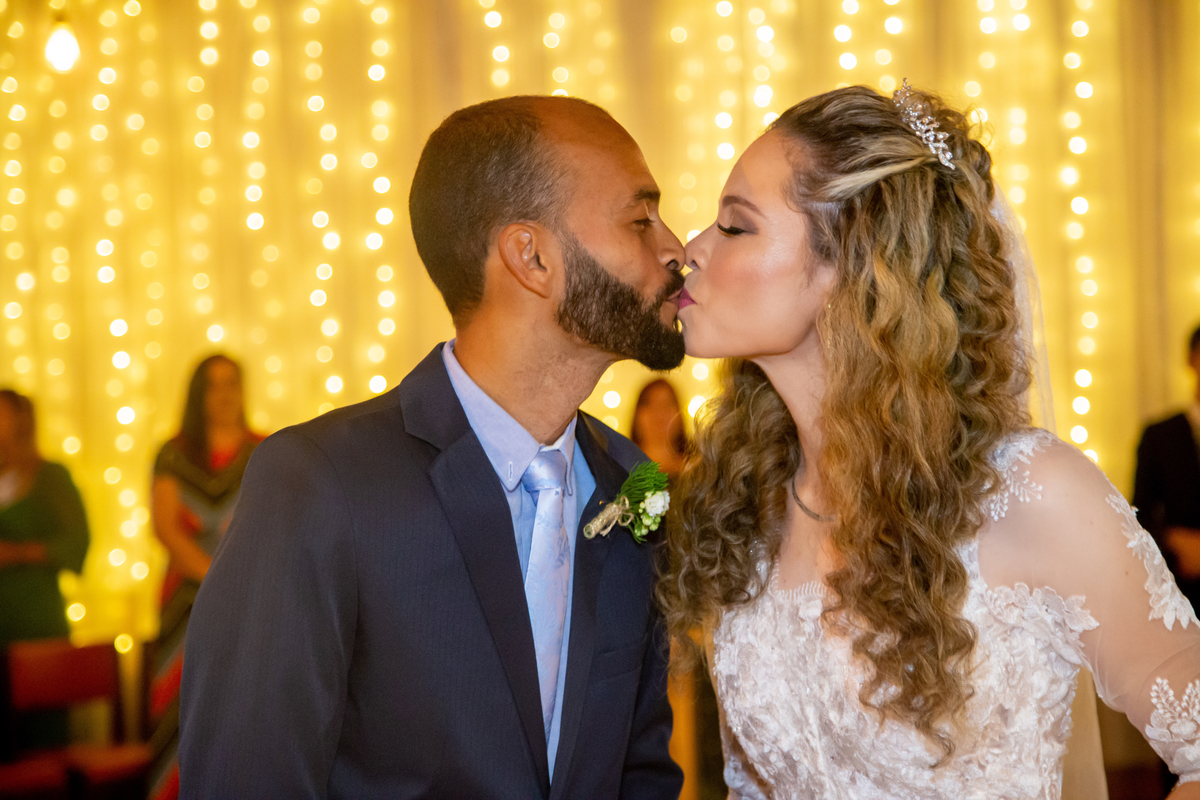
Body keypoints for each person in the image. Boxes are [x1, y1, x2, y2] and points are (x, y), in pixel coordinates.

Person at [658, 84, 1200, 798]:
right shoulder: (743, 507)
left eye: (735, 226)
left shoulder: (1032, 495)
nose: (691, 248)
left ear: (849, 265)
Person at [179, 96, 686, 798]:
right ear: (530, 255)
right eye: (640, 220)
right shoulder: (321, 485)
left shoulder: (636, 488)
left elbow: (641, 772)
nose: (676, 249)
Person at [147, 355, 261, 800]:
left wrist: (235, 583)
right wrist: (216, 577)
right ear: (198, 393)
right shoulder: (173, 452)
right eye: (214, 385)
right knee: (183, 712)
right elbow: (166, 528)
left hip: (247, 599)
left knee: (242, 708)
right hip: (186, 606)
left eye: (232, 382)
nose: (225, 393)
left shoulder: (264, 449)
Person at [0, 389, 89, 753]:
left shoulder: (49, 477)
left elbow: (76, 543)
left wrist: (19, 553)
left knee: (44, 744)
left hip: (37, 621)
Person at [1134, 324, 1200, 608]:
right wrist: (1175, 539)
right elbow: (1137, 517)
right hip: (1181, 594)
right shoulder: (1159, 435)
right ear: (1191, 359)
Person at [631, 379, 690, 479]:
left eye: (667, 404)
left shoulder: (697, 473)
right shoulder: (620, 470)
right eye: (651, 404)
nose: (659, 413)